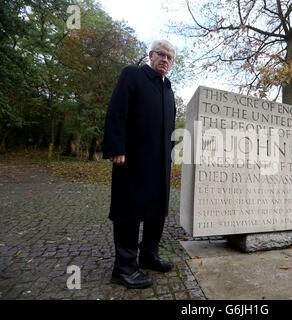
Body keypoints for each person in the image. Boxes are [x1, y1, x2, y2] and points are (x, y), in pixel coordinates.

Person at [102, 39, 177, 289]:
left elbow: (170, 128)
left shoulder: (169, 90)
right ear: (151, 55)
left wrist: (171, 154)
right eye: (161, 54)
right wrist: (116, 147)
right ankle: (123, 268)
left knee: (157, 211)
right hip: (132, 158)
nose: (165, 60)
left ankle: (149, 255)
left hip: (160, 163)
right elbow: (116, 111)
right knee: (129, 211)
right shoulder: (132, 75)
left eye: (170, 57)